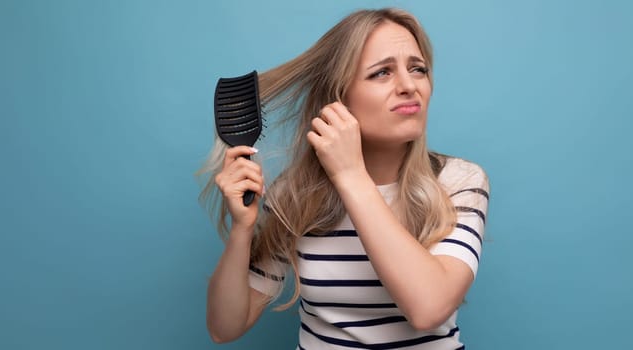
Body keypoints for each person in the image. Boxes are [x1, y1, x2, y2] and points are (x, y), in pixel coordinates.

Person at [198, 7, 489, 349]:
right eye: (382, 73)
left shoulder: (458, 181)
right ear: (339, 99)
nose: (409, 86)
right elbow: (224, 328)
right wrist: (242, 230)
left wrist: (351, 176)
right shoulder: (295, 196)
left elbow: (428, 309)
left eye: (418, 69)